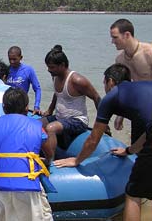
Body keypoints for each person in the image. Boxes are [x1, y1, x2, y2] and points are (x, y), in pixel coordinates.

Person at [53, 63, 152, 221]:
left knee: (134, 193)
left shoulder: (111, 98)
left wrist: (77, 160)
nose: (105, 87)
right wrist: (129, 151)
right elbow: (147, 135)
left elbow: (93, 139)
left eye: (104, 82)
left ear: (110, 82)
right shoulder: (145, 88)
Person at [0, 87, 53, 221]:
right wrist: (46, 161)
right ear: (26, 107)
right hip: (27, 186)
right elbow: (49, 151)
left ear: (4, 108)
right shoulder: (36, 126)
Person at [41, 45, 101, 155]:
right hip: (60, 118)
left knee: (50, 128)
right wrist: (50, 109)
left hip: (77, 121)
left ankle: (49, 162)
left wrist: (102, 124)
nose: (49, 70)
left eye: (52, 67)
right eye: (48, 67)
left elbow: (96, 97)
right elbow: (57, 94)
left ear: (62, 65)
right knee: (35, 124)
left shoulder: (77, 80)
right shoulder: (55, 76)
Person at [110, 19, 152, 131]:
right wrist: (121, 115)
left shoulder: (149, 53)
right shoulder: (120, 60)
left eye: (115, 37)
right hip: (138, 109)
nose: (112, 42)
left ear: (127, 35)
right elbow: (125, 89)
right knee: (137, 145)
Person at [6, 46, 42, 115]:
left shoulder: (28, 70)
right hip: (8, 106)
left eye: (14, 59)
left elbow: (37, 89)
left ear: (21, 57)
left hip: (22, 105)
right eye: (10, 59)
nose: (12, 62)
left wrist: (36, 106)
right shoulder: (6, 70)